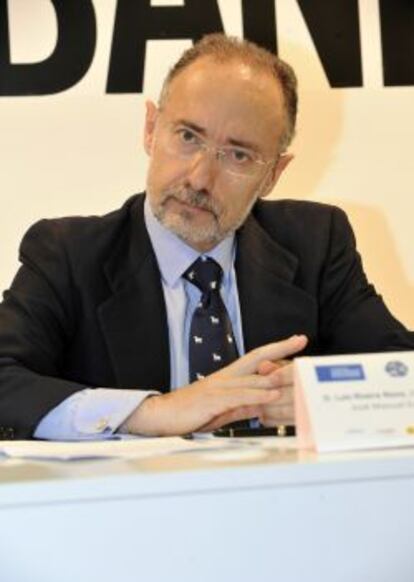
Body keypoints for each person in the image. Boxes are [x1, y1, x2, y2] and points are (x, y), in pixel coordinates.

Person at [0, 34, 413, 441]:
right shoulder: (67, 254)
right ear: (150, 129)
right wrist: (153, 412)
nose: (199, 179)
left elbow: (402, 372)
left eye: (238, 155)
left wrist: (323, 395)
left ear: (273, 175)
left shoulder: (316, 243)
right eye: (187, 137)